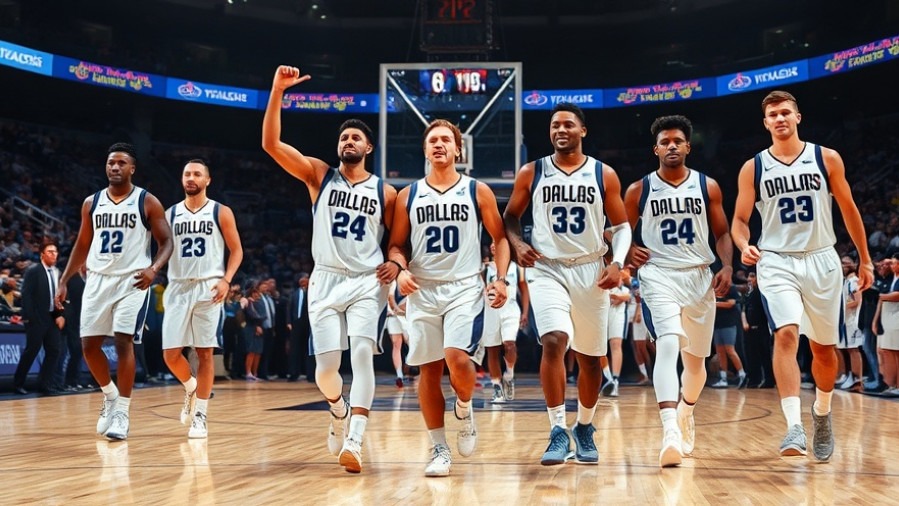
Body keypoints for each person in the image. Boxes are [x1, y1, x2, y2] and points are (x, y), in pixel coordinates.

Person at [263, 65, 398, 474]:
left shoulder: (385, 192)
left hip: (365, 282)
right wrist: (277, 92)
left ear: (368, 148)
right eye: (343, 137)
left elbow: (396, 240)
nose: (348, 141)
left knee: (360, 353)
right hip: (324, 278)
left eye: (356, 137)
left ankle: (355, 437)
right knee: (325, 369)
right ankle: (337, 409)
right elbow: (271, 144)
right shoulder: (319, 175)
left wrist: (394, 260)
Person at [731, 90, 873, 461]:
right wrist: (744, 243)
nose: (779, 119)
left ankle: (822, 413)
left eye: (784, 113)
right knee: (787, 333)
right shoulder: (754, 167)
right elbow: (740, 221)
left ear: (798, 117)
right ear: (765, 123)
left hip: (822, 258)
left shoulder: (826, 158)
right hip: (776, 259)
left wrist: (866, 259)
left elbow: (848, 208)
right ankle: (793, 425)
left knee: (823, 350)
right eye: (772, 115)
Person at [504, 103, 631, 466]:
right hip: (547, 268)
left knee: (591, 360)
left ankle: (585, 427)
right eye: (555, 124)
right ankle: (558, 429)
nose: (561, 129)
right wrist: (518, 244)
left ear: (582, 131)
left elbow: (621, 228)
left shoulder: (603, 174)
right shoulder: (532, 172)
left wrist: (617, 263)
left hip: (592, 269)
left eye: (568, 124)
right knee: (555, 340)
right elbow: (510, 217)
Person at [387, 118, 510, 477]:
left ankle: (466, 405)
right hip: (422, 289)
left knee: (458, 360)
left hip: (464, 288)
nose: (439, 145)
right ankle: (439, 447)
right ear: (425, 150)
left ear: (459, 149)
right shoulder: (409, 195)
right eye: (432, 141)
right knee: (427, 370)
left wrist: (501, 279)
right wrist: (401, 269)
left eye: (446, 140)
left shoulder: (477, 191)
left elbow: (499, 238)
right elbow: (396, 245)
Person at [624, 114, 733, 467]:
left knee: (697, 362)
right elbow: (617, 230)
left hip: (700, 275)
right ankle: (669, 429)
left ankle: (687, 411)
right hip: (658, 274)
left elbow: (722, 233)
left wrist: (728, 265)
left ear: (688, 146)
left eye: (677, 141)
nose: (671, 146)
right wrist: (626, 251)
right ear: (655, 149)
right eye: (665, 142)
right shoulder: (639, 189)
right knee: (668, 342)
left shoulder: (708, 186)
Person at [56, 142, 174, 441]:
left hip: (133, 280)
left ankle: (122, 411)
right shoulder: (91, 203)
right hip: (98, 279)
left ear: (132, 168)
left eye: (121, 163)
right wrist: (64, 279)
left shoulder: (147, 201)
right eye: (111, 163)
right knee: (88, 347)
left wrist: (154, 269)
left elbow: (167, 242)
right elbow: (83, 244)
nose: (115, 167)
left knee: (123, 342)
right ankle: (109, 395)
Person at [162, 159, 243, 439]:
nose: (191, 177)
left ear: (207, 180)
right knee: (171, 355)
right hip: (178, 287)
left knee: (205, 352)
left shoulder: (220, 211)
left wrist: (226, 279)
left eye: (197, 174)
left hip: (209, 287)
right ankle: (191, 387)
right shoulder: (170, 214)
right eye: (187, 173)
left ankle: (201, 416)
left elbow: (236, 251)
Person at [13, 242, 64, 395]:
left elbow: (59, 297)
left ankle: (44, 384)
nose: (53, 254)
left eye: (55, 252)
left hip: (52, 317)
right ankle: (18, 383)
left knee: (54, 350)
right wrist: (29, 317)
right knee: (32, 351)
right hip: (36, 318)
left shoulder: (57, 272)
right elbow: (26, 295)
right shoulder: (33, 270)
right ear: (42, 254)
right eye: (50, 251)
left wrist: (60, 315)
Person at [483, 243, 528, 403]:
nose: (494, 245)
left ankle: (509, 375)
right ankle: (497, 388)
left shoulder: (516, 266)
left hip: (510, 309)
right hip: (490, 311)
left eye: (498, 243)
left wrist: (525, 312)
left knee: (510, 345)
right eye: (492, 243)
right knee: (492, 350)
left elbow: (524, 289)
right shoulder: (485, 268)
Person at [711, 284, 747, 388]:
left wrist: (713, 304)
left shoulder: (731, 288)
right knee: (720, 352)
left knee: (730, 350)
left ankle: (742, 374)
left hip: (729, 324)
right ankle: (723, 379)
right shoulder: (712, 290)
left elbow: (730, 304)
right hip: (717, 325)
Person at [837, 256, 864, 391]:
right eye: (841, 263)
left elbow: (857, 300)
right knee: (847, 349)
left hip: (853, 321)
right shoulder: (845, 281)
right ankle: (850, 376)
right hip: (845, 321)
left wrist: (841, 307)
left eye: (845, 263)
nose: (843, 266)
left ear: (853, 264)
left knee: (854, 350)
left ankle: (858, 381)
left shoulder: (854, 280)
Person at [287, 273, 311, 382]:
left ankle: (310, 374)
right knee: (295, 349)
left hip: (309, 323)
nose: (303, 280)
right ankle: (293, 373)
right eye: (301, 279)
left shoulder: (313, 293)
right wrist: (288, 322)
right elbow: (289, 308)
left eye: (305, 278)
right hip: (296, 323)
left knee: (309, 349)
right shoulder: (294, 293)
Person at [385, 280, 409, 388]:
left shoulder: (411, 275)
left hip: (406, 316)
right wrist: (396, 309)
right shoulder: (391, 280)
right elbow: (390, 297)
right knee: (396, 344)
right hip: (394, 316)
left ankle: (408, 369)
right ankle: (399, 375)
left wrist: (399, 309)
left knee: (412, 344)